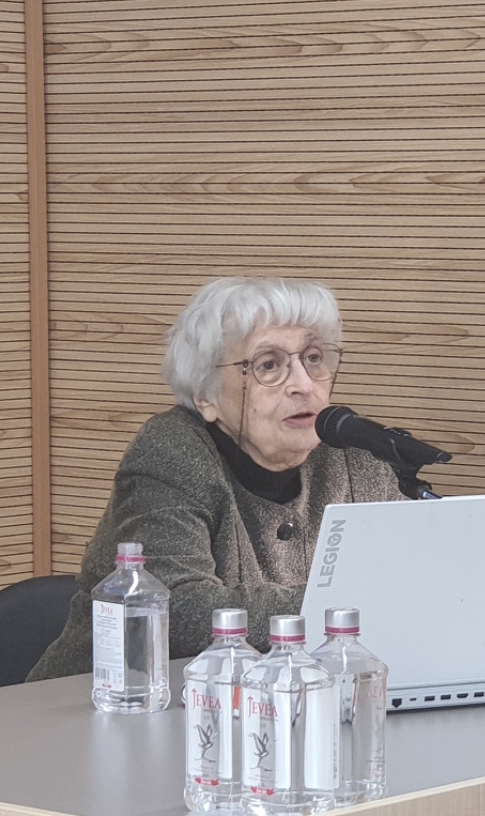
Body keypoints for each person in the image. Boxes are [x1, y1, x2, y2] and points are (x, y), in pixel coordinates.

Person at [28, 276, 404, 679]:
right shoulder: (172, 452)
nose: (303, 385)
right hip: (115, 699)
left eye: (313, 358)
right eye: (268, 365)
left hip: (282, 700)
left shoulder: (354, 455)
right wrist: (350, 610)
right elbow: (177, 610)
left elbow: (409, 578)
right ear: (206, 395)